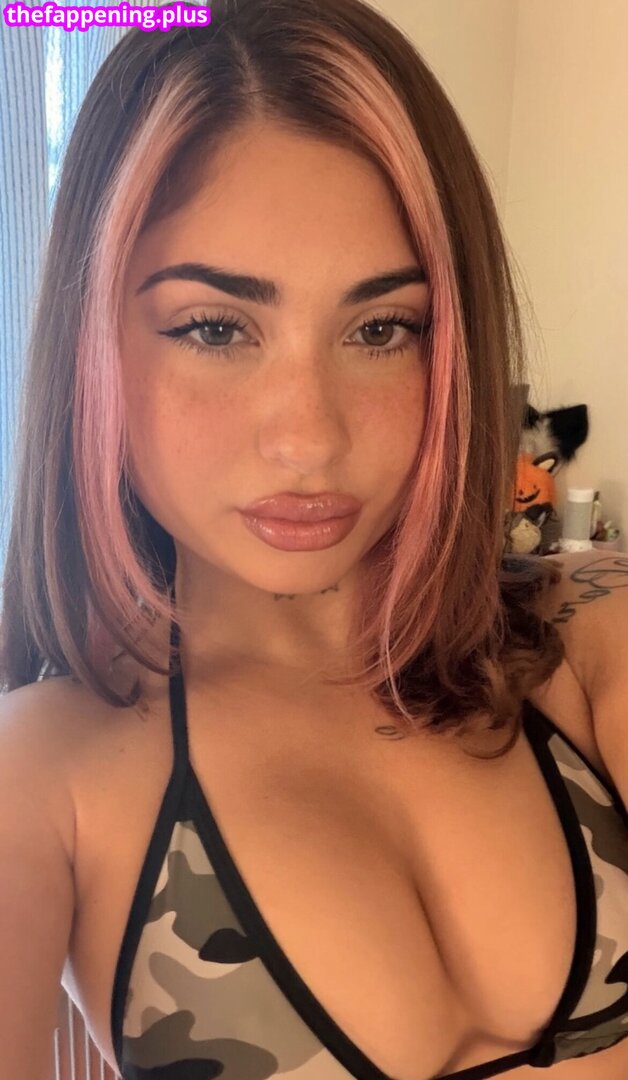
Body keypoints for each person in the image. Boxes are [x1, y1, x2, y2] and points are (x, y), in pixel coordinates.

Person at [0, 1, 626, 1077]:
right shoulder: (44, 777)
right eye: (214, 327)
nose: (309, 437)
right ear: (93, 344)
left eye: (381, 329)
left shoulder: (583, 640)